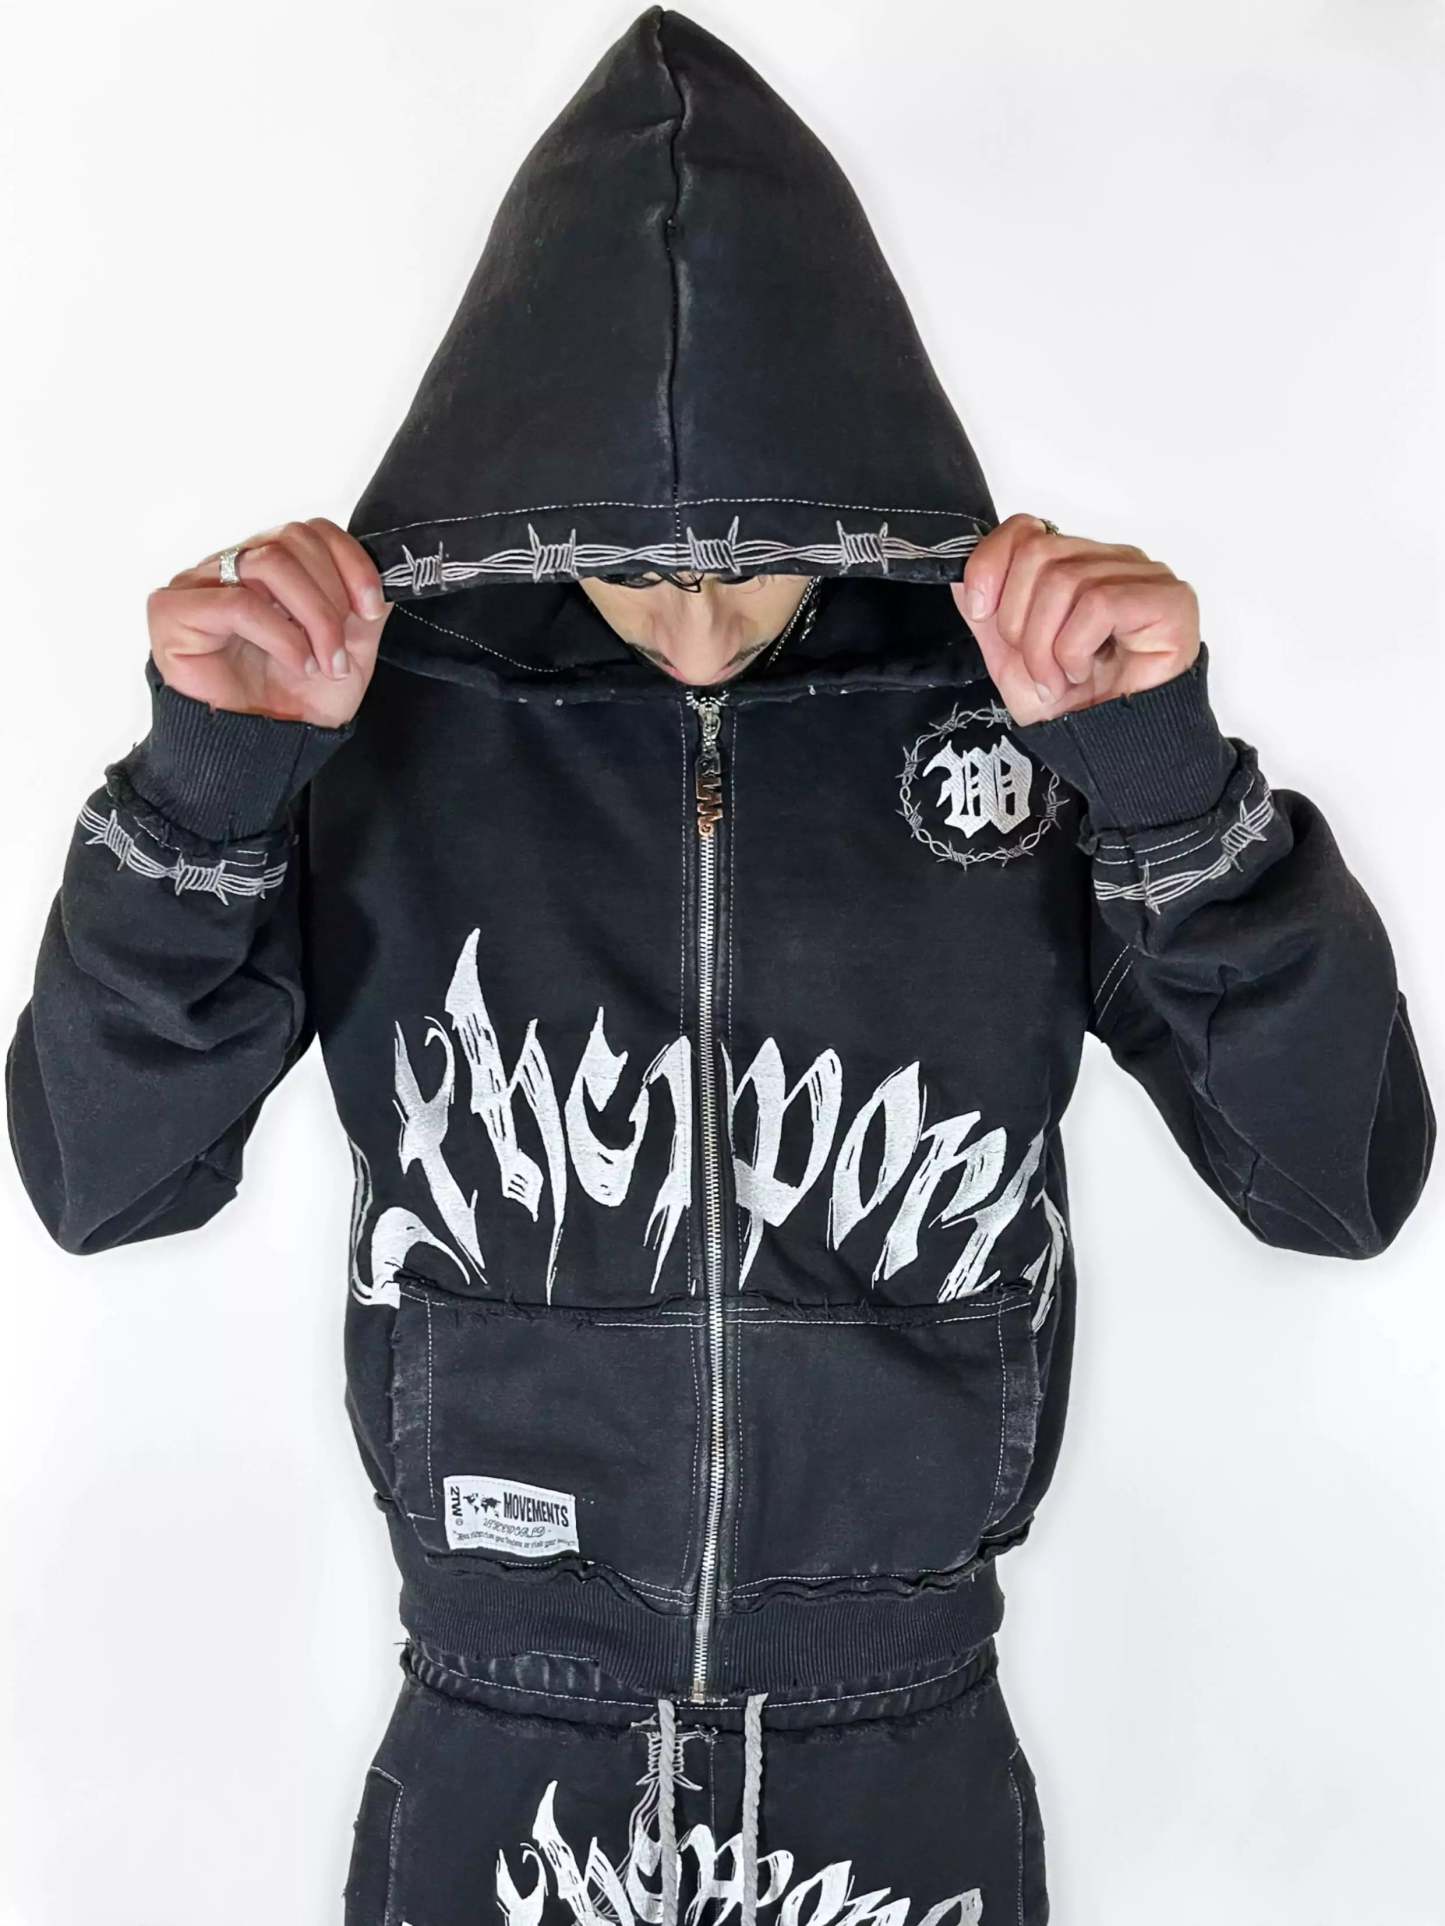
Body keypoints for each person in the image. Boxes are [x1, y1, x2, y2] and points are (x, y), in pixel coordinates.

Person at [6, 8, 1434, 1923]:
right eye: (633, 560)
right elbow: (102, 1175)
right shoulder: (382, 722)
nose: (696, 628)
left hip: (900, 1742)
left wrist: (1166, 787)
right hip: (499, 1739)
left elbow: (1333, 1180)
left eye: (749, 556)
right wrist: (210, 787)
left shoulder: (1008, 715)